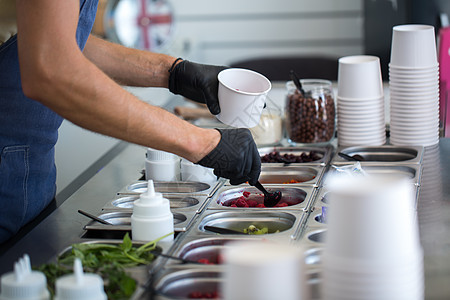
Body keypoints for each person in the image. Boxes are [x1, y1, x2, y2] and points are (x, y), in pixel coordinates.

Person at [0, 0, 261, 243]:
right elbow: (53, 71)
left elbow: (62, 41)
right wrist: (203, 143)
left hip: (30, 172)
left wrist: (173, 72)